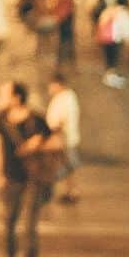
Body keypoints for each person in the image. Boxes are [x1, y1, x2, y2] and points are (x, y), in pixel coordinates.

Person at [0, 81, 55, 257]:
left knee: (29, 225)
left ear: (17, 98)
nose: (1, 98)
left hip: (33, 178)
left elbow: (55, 142)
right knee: (9, 222)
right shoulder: (1, 119)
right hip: (11, 177)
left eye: (4, 94)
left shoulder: (36, 119)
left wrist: (36, 144)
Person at [45, 71, 81, 202]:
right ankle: (70, 191)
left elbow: (61, 120)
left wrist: (54, 135)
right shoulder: (63, 98)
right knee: (68, 166)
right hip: (61, 138)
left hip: (62, 139)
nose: (49, 89)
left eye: (51, 85)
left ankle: (70, 191)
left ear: (58, 84)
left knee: (66, 166)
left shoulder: (66, 98)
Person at [96, 1, 129, 87]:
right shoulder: (123, 14)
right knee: (113, 58)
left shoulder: (106, 12)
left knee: (109, 58)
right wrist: (127, 39)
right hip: (114, 39)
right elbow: (126, 29)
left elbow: (100, 24)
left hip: (105, 39)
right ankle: (111, 76)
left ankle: (109, 74)